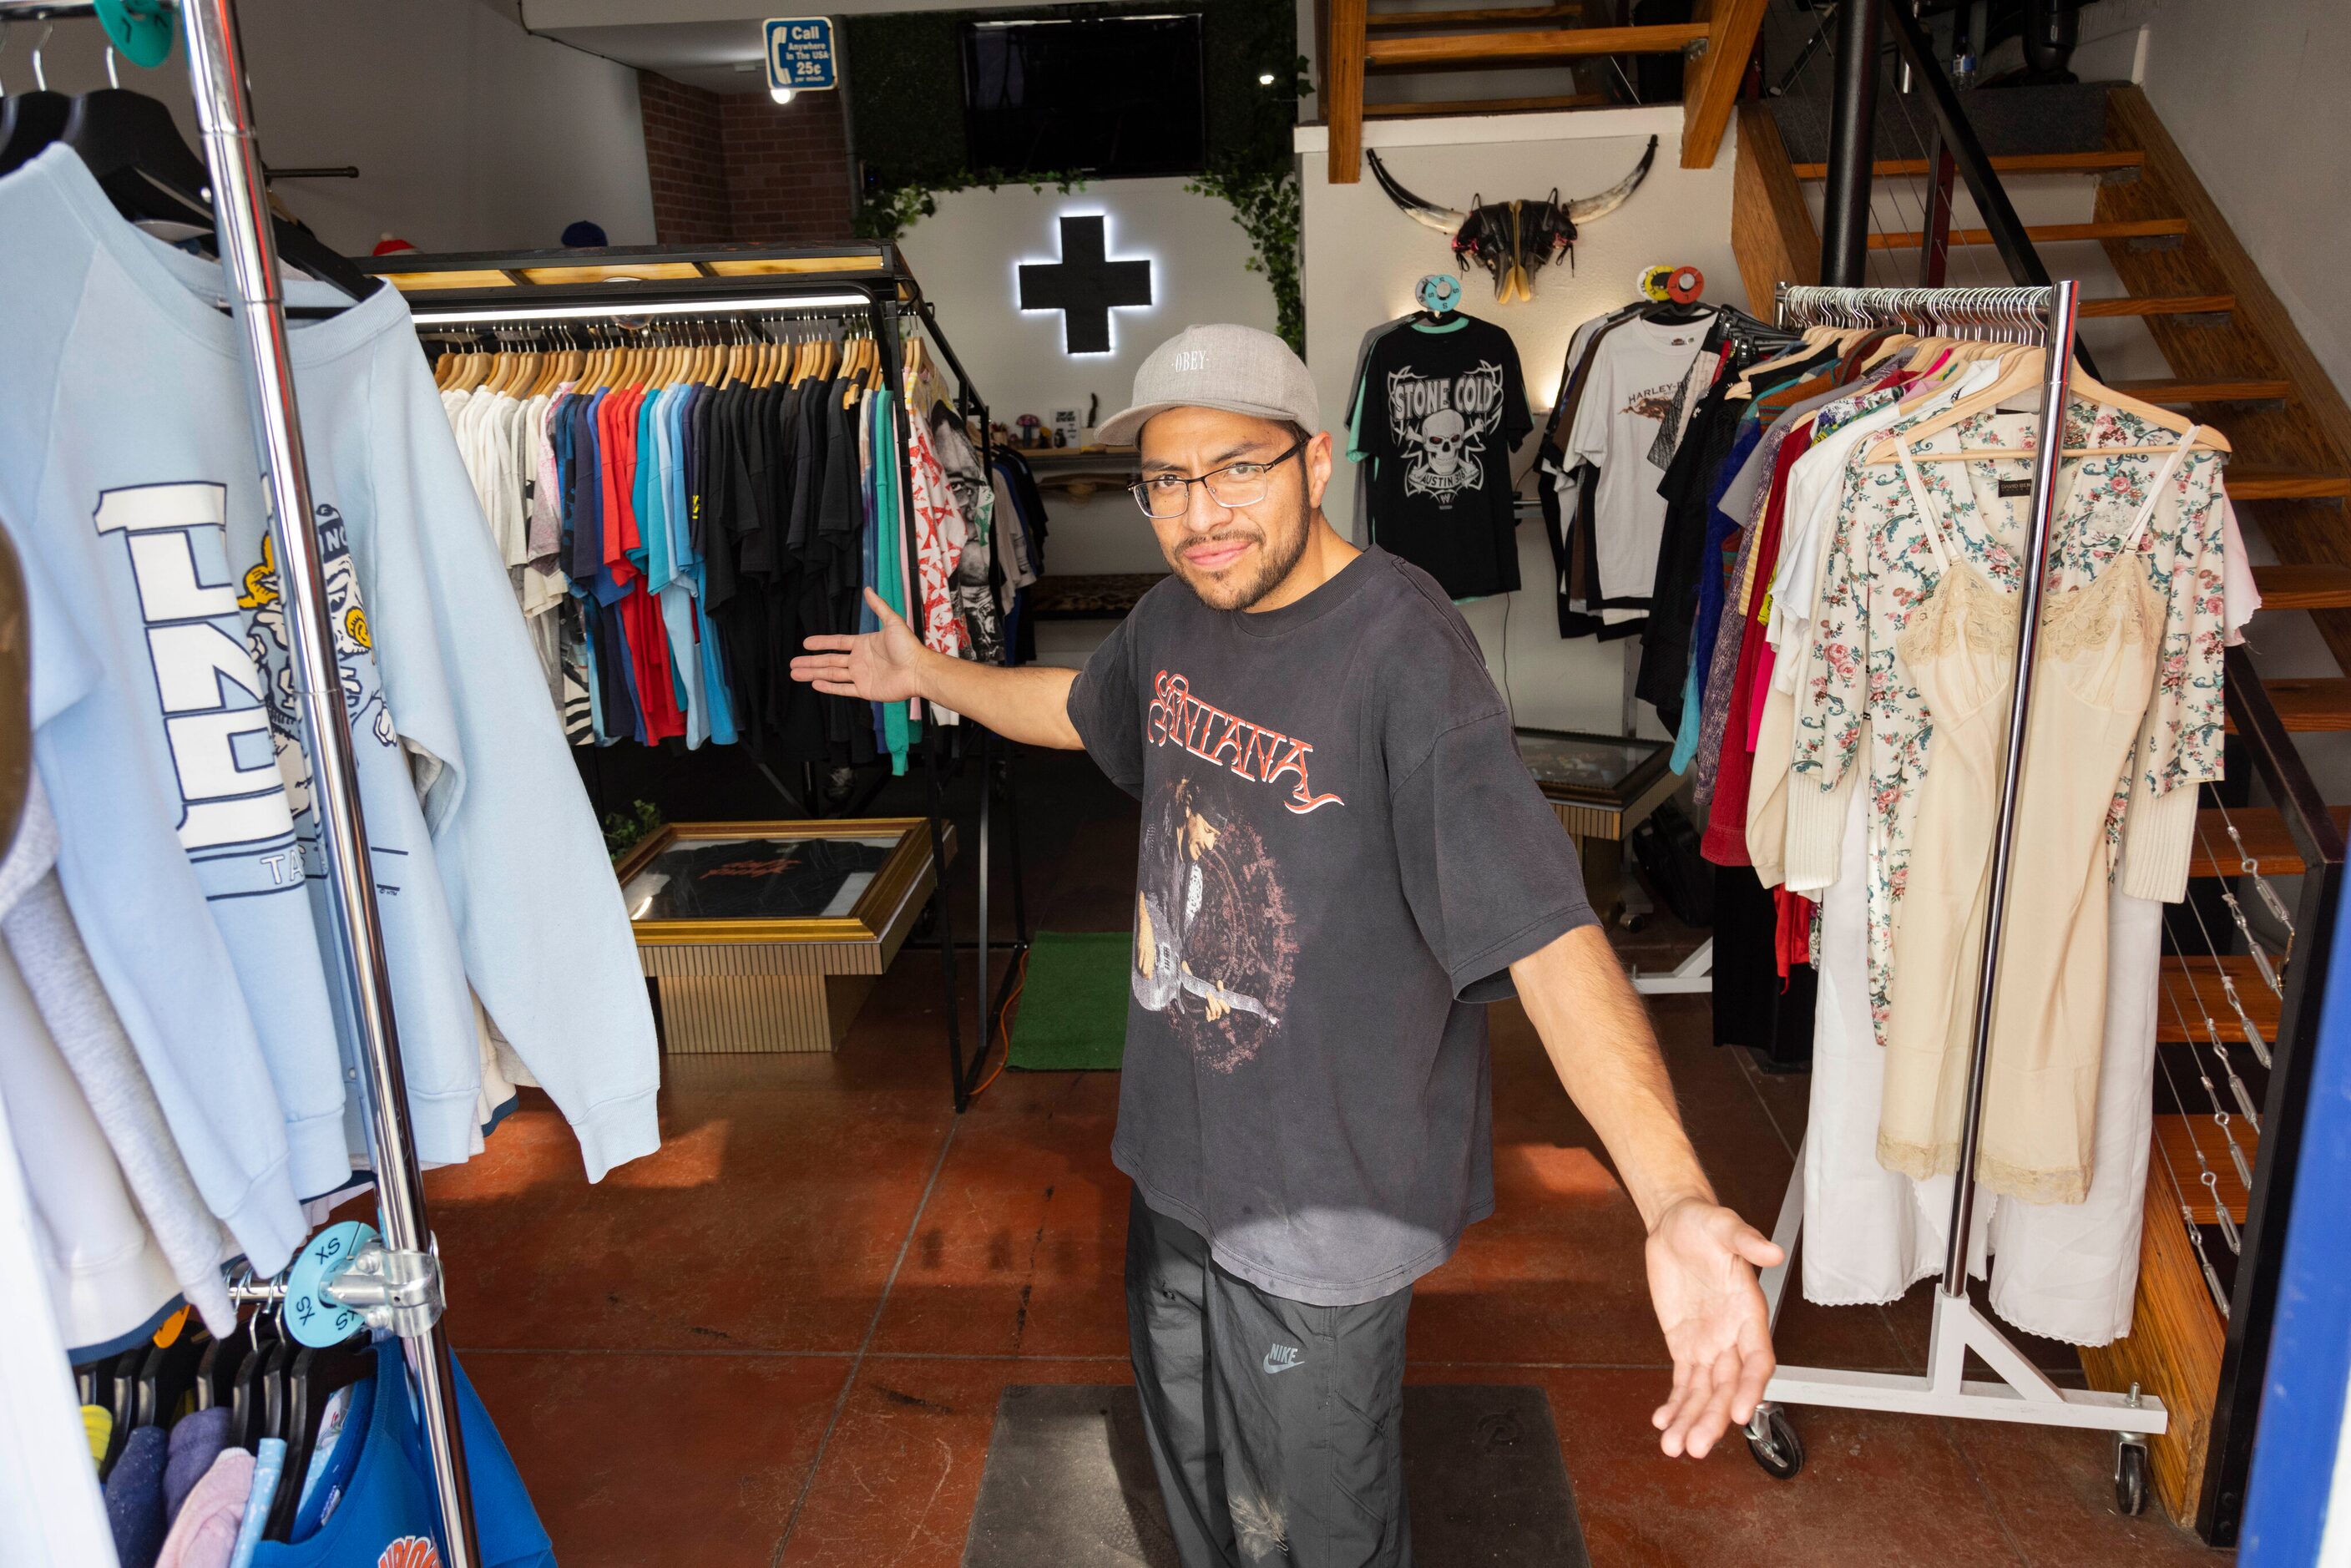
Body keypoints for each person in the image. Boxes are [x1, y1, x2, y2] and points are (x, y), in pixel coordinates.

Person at [791, 324, 1781, 1567]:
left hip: (1327, 1206)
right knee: (1206, 1497)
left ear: (1316, 462)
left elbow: (1546, 934)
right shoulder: (1174, 619)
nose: (1200, 513)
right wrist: (927, 671)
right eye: (1166, 481)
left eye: (1235, 469)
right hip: (1178, 1164)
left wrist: (1674, 1193)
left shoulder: (1406, 651)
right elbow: (1084, 704)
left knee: (1320, 1532)